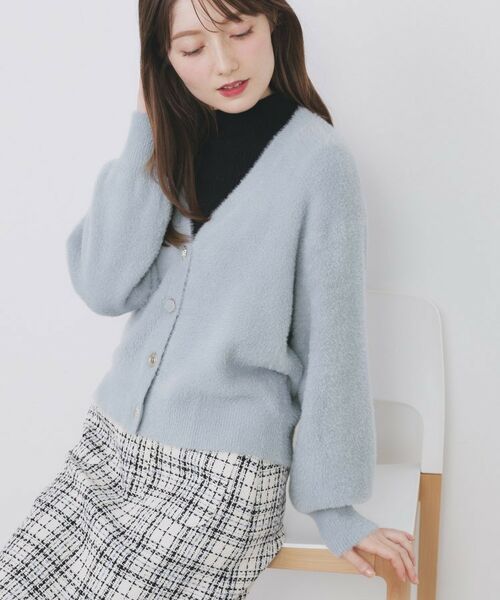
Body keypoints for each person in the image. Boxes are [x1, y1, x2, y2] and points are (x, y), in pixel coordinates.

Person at [0, 0, 418, 597]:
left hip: (221, 477)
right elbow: (103, 286)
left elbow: (333, 343)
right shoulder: (170, 146)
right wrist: (147, 125)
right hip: (108, 448)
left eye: (239, 32)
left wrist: (335, 507)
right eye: (192, 48)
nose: (224, 63)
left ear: (273, 24)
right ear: (163, 59)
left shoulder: (319, 163)